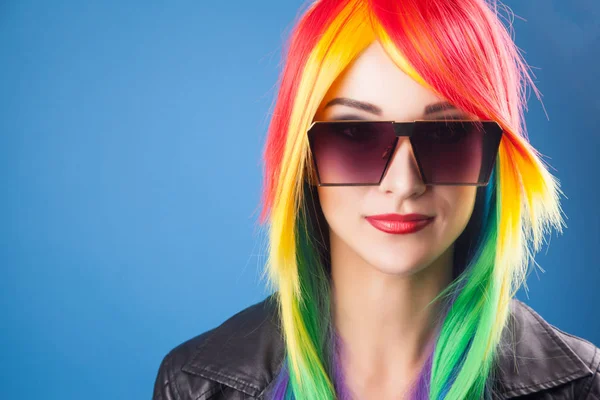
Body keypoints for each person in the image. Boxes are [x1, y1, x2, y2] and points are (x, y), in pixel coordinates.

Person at [152, 0, 600, 399]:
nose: (404, 183)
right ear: (302, 157)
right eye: (355, 133)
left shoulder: (583, 387)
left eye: (445, 133)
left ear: (493, 152)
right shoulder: (197, 387)